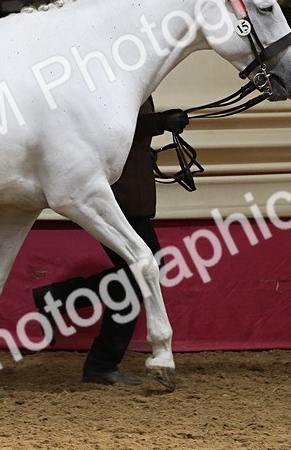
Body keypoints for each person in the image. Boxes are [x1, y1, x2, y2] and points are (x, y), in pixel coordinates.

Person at [32, 97, 189, 385]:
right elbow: (114, 123)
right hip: (118, 191)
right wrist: (159, 122)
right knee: (145, 271)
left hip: (132, 186)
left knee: (138, 276)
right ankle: (96, 353)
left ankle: (98, 357)